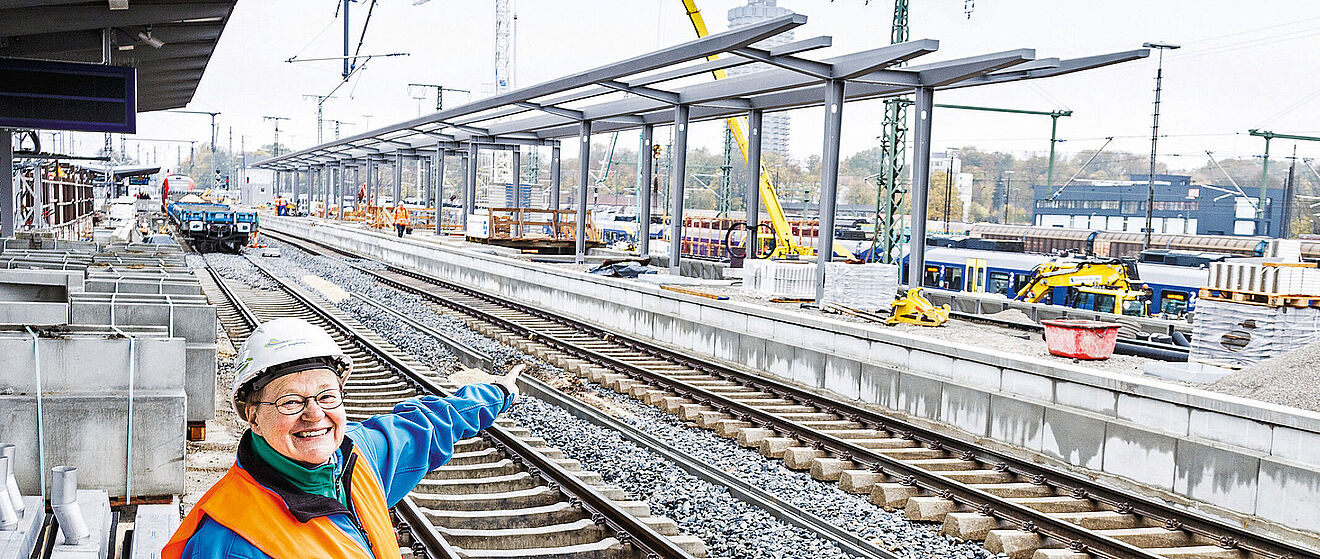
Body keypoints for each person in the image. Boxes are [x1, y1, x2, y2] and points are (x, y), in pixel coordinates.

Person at [162, 317, 520, 559]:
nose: (314, 415)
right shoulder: (232, 542)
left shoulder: (357, 458)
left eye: (327, 396)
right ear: (252, 415)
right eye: (290, 401)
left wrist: (498, 393)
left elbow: (431, 423)